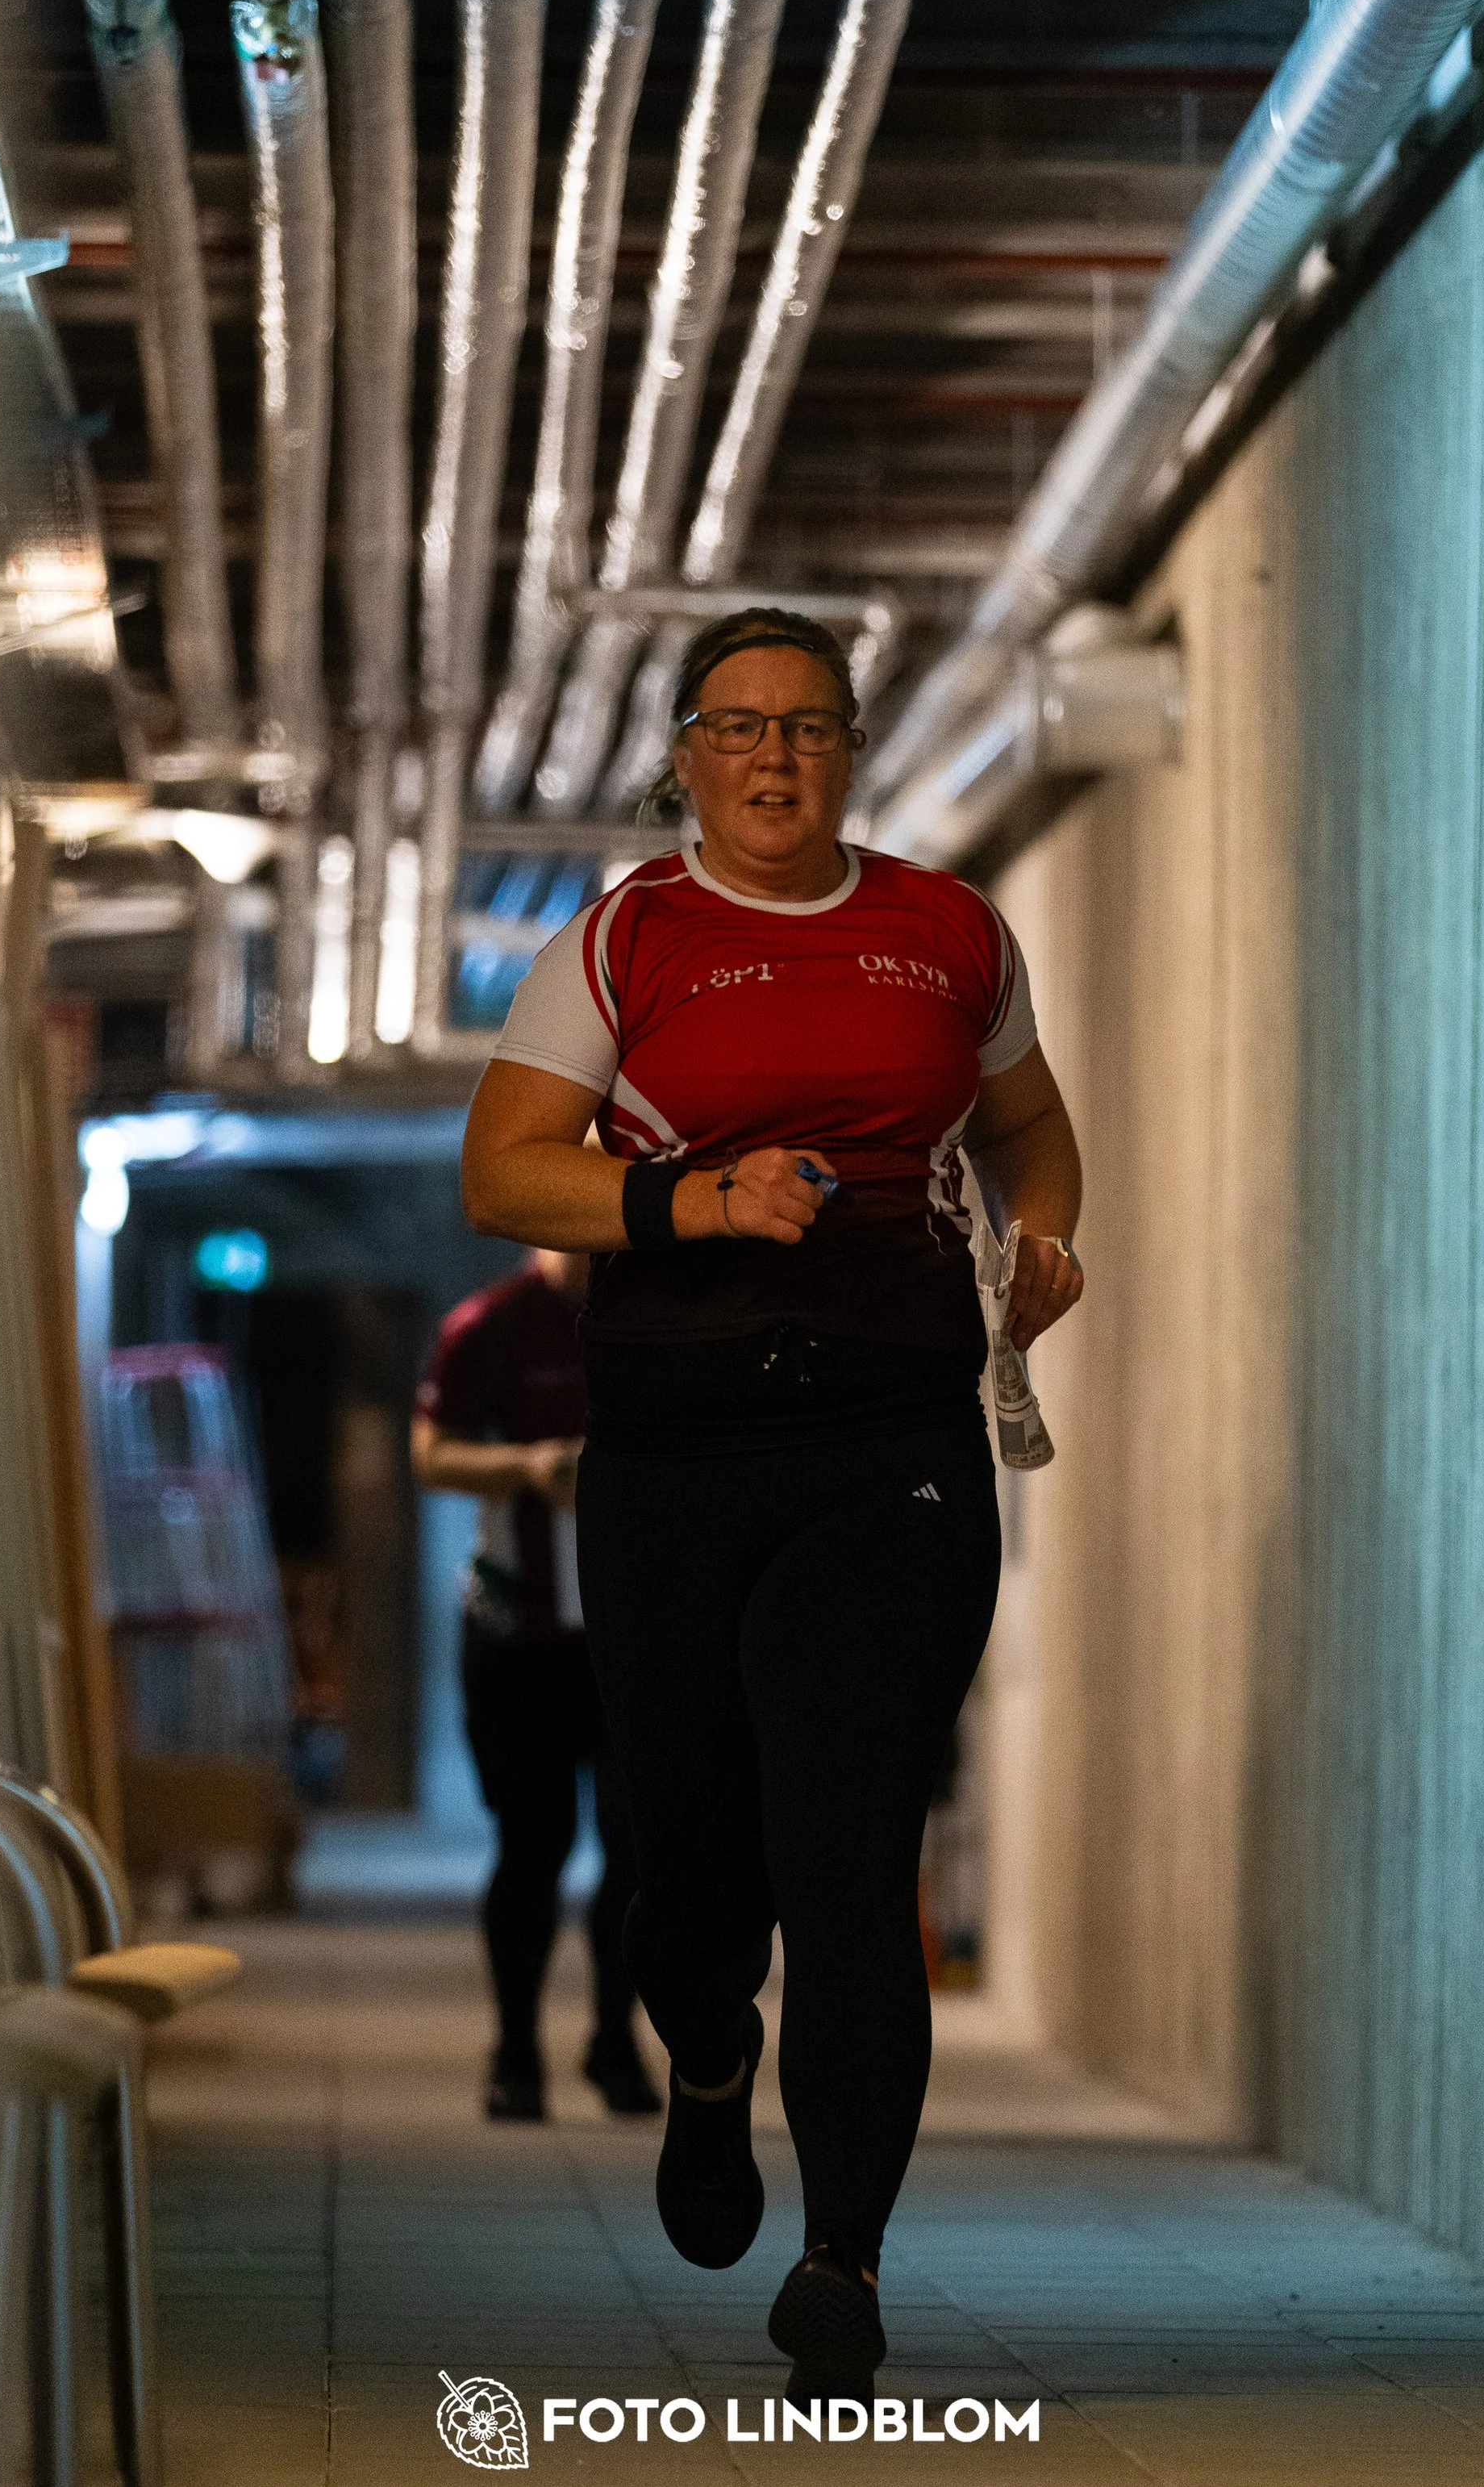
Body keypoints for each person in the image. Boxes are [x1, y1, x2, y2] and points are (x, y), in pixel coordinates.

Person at [458, 607, 1084, 2402]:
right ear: (685, 753)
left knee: (848, 1842)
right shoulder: (620, 940)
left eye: (806, 726)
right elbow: (503, 1169)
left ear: (848, 744)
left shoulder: (947, 931)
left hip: (889, 1439)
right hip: (669, 1449)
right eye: (737, 728)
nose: (773, 758)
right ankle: (707, 2051)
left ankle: (843, 2259)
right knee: (693, 1865)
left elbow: (1028, 1127)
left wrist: (1044, 1237)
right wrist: (692, 1206)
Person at [411, 1246, 660, 2122]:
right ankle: (516, 2049)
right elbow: (429, 1453)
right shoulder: (491, 1323)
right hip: (519, 1628)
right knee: (532, 1845)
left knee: (637, 1855)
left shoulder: (665, 1312)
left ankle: (615, 2039)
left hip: (639, 1632)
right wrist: (529, 1466)